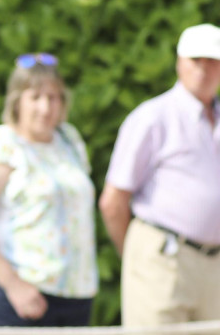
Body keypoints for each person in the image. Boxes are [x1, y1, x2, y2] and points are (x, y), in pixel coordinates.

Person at [99, 23, 220, 327]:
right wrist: (138, 257)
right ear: (179, 62)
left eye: (213, 61)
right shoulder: (152, 117)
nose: (204, 69)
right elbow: (113, 201)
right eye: (196, 59)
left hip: (214, 266)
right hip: (162, 258)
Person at [0, 53, 97, 326]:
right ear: (17, 101)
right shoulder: (4, 144)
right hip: (20, 298)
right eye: (35, 97)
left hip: (76, 295)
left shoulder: (69, 140)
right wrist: (13, 284)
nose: (45, 107)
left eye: (53, 97)